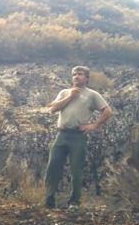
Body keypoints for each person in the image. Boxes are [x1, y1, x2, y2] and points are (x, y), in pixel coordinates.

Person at [44, 66, 113, 209]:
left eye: (80, 74)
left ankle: (74, 202)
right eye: (74, 74)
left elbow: (107, 111)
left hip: (78, 136)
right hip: (62, 134)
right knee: (53, 167)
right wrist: (70, 97)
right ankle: (48, 200)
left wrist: (93, 125)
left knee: (77, 170)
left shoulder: (92, 94)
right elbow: (52, 108)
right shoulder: (64, 92)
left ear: (86, 78)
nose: (76, 76)